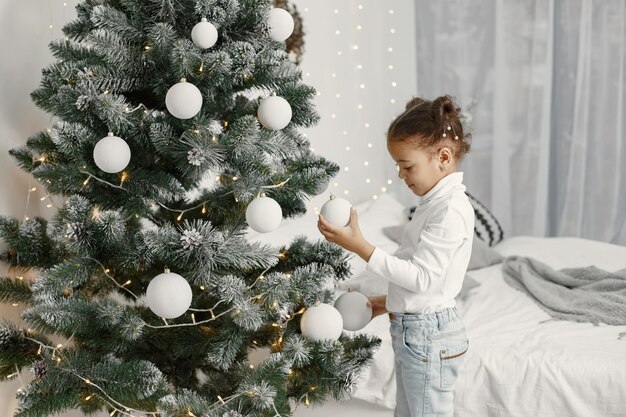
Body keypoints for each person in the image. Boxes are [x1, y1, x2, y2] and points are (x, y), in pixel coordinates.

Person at [317, 95, 474, 417]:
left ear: (443, 157)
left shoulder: (450, 211)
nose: (401, 175)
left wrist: (360, 245)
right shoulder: (434, 203)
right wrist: (385, 301)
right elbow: (425, 283)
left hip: (428, 334)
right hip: (417, 330)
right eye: (398, 166)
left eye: (407, 165)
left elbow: (422, 278)